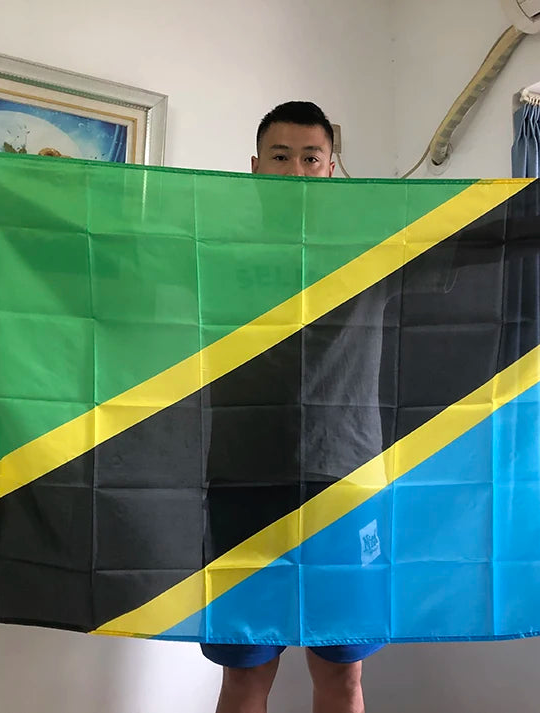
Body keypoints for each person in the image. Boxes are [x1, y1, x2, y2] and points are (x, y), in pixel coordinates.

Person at [199, 101, 383, 713]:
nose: (297, 171)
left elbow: (485, 237)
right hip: (243, 487)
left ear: (331, 167)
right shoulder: (214, 253)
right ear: (256, 168)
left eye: (311, 158)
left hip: (346, 487)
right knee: (245, 676)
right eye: (281, 157)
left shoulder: (374, 248)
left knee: (342, 675)